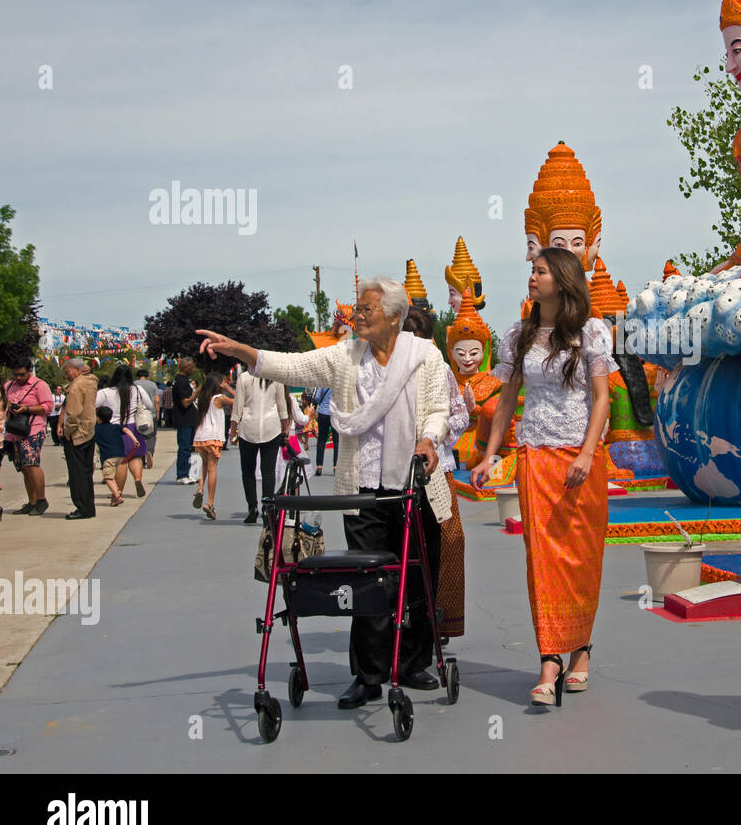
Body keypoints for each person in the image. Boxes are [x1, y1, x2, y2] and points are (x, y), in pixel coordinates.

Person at [197, 275, 453, 709]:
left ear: (394, 316)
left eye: (367, 308)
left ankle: (412, 663)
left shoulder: (425, 356)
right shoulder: (345, 356)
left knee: (417, 573)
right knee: (367, 580)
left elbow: (438, 409)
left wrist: (428, 439)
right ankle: (369, 674)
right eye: (358, 308)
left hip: (414, 485)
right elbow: (292, 366)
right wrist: (239, 349)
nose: (357, 315)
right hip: (361, 487)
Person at [470, 247, 615, 706]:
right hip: (535, 455)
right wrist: (489, 456)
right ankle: (549, 658)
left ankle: (582, 651)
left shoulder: (591, 332)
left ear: (564, 279)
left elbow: (602, 398)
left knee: (581, 556)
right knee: (542, 558)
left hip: (580, 458)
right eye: (532, 271)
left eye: (541, 271)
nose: (532, 278)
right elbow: (507, 401)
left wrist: (588, 454)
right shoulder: (520, 334)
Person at [403, 307, 470, 641]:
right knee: (404, 549)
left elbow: (460, 415)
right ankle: (403, 621)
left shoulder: (441, 369)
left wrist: (435, 434)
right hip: (397, 474)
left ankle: (439, 618)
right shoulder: (389, 371)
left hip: (436, 471)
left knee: (448, 542)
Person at [229, 367, 288, 526]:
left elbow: (238, 407)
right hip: (271, 427)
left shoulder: (244, 377)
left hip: (248, 428)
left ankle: (252, 508)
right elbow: (282, 406)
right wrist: (285, 429)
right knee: (268, 470)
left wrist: (233, 429)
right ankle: (267, 509)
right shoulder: (276, 377)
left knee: (248, 471)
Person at [3, 357, 55, 515]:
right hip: (14, 431)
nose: (18, 378)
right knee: (24, 467)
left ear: (29, 371)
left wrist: (26, 408)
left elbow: (48, 407)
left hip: (33, 429)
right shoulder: (9, 386)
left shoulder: (40, 385)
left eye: (22, 375)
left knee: (32, 464)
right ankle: (31, 501)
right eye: (15, 375)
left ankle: (41, 500)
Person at [95, 366, 154, 499]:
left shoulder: (105, 392)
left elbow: (93, 405)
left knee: (121, 462)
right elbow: (149, 405)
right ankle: (137, 480)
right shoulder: (138, 389)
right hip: (133, 427)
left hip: (114, 429)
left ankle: (118, 491)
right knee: (135, 457)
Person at [191, 371, 234, 520]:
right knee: (212, 468)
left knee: (203, 465)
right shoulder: (219, 398)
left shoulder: (203, 398)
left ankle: (200, 489)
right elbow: (239, 400)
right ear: (218, 384)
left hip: (200, 436)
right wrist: (228, 389)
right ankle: (210, 502)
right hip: (213, 437)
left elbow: (196, 393)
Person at [61, 358, 99, 520]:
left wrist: (67, 430)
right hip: (89, 430)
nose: (66, 375)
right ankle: (88, 506)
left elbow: (74, 413)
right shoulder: (91, 382)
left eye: (68, 371)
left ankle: (82, 507)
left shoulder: (76, 386)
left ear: (77, 370)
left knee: (77, 474)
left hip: (77, 433)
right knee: (86, 472)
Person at [171, 358, 200, 484]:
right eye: (191, 367)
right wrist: (197, 392)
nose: (193, 369)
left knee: (190, 447)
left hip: (190, 419)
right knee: (184, 447)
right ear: (186, 368)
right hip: (184, 419)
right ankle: (182, 474)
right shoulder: (181, 382)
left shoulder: (184, 381)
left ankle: (189, 473)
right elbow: (185, 402)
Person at [94, 407, 126, 507]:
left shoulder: (96, 429)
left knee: (108, 477)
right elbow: (126, 430)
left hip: (107, 457)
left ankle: (117, 496)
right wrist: (134, 440)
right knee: (114, 477)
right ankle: (116, 493)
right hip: (120, 455)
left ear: (98, 418)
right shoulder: (116, 427)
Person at [134, 368, 159, 468]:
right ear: (147, 376)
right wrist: (157, 413)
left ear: (137, 376)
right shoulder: (153, 385)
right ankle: (149, 451)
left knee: (139, 436)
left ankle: (141, 458)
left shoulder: (133, 384)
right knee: (151, 436)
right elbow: (156, 400)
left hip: (137, 415)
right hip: (150, 414)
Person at [313, 384, 338, 476]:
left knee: (321, 440)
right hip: (335, 413)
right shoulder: (338, 381)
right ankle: (336, 466)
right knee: (336, 441)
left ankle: (319, 466)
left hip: (323, 412)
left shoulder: (322, 382)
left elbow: (317, 398)